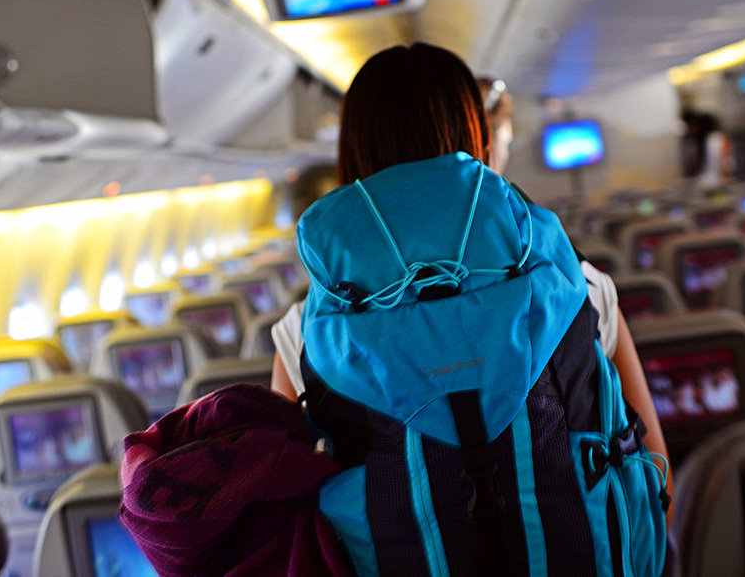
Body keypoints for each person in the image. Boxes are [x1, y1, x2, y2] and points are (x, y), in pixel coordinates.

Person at [270, 43, 673, 541]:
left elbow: (292, 527)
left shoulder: (306, 335)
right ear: (477, 143)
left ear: (353, 156)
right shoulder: (580, 290)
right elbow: (655, 479)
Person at [680, 110, 730, 189]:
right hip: (718, 183)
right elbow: (725, 164)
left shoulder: (702, 141)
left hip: (703, 183)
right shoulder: (719, 138)